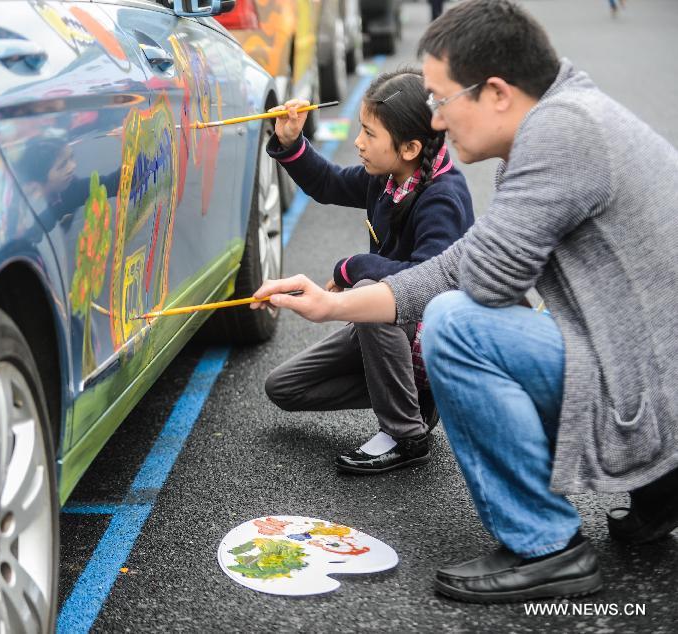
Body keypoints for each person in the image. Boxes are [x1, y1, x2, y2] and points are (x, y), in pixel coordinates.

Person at [252, 0, 678, 603]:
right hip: (652, 374)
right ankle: (660, 477)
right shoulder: (561, 121)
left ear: (496, 92)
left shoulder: (562, 136)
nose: (436, 122)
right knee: (459, 313)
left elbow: (476, 282)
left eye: (440, 99)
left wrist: (354, 290)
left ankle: (546, 545)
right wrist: (329, 305)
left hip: (656, 388)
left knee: (456, 324)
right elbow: (461, 262)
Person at [263, 70, 473, 475]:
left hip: (432, 332)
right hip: (391, 331)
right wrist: (291, 142)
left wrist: (353, 266)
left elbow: (423, 281)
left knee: (372, 288)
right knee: (285, 388)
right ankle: (413, 398)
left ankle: (406, 434)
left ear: (410, 147)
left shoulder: (443, 198)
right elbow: (329, 184)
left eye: (368, 134)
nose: (358, 143)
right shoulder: (387, 176)